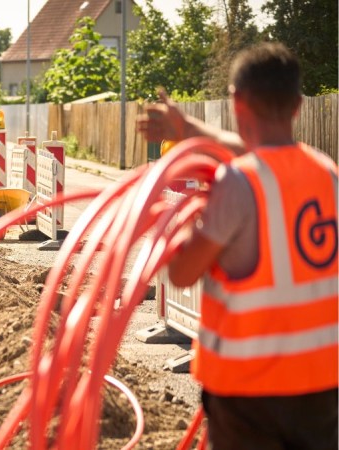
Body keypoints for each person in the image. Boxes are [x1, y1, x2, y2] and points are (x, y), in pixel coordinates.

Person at [139, 43, 338, 449]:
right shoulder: (327, 174)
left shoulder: (238, 182)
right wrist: (190, 128)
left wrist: (167, 218)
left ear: (236, 100)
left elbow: (181, 273)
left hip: (249, 394)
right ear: (299, 105)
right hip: (321, 387)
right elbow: (268, 158)